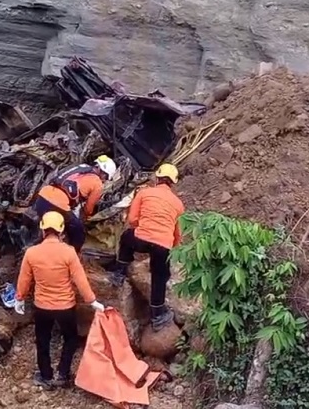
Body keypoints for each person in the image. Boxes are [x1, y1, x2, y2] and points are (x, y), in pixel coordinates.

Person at [15, 211, 105, 389]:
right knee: (70, 339)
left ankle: (46, 376)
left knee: (42, 341)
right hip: (65, 307)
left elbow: (24, 280)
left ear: (42, 231)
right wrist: (92, 301)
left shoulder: (31, 253)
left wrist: (19, 298)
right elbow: (80, 280)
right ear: (61, 232)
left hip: (42, 308)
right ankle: (63, 374)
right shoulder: (69, 252)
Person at [109, 163, 184, 331]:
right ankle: (157, 314)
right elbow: (176, 234)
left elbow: (133, 219)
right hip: (163, 245)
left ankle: (119, 273)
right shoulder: (178, 204)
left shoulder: (144, 193)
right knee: (160, 276)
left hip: (142, 239)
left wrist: (143, 227)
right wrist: (171, 248)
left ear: (157, 178)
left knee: (127, 237)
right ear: (173, 183)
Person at [33, 155, 118, 252]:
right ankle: (73, 254)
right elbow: (88, 209)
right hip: (58, 205)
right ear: (102, 172)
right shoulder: (97, 183)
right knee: (78, 231)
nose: (104, 180)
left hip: (42, 196)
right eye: (106, 177)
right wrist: (87, 218)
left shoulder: (81, 167)